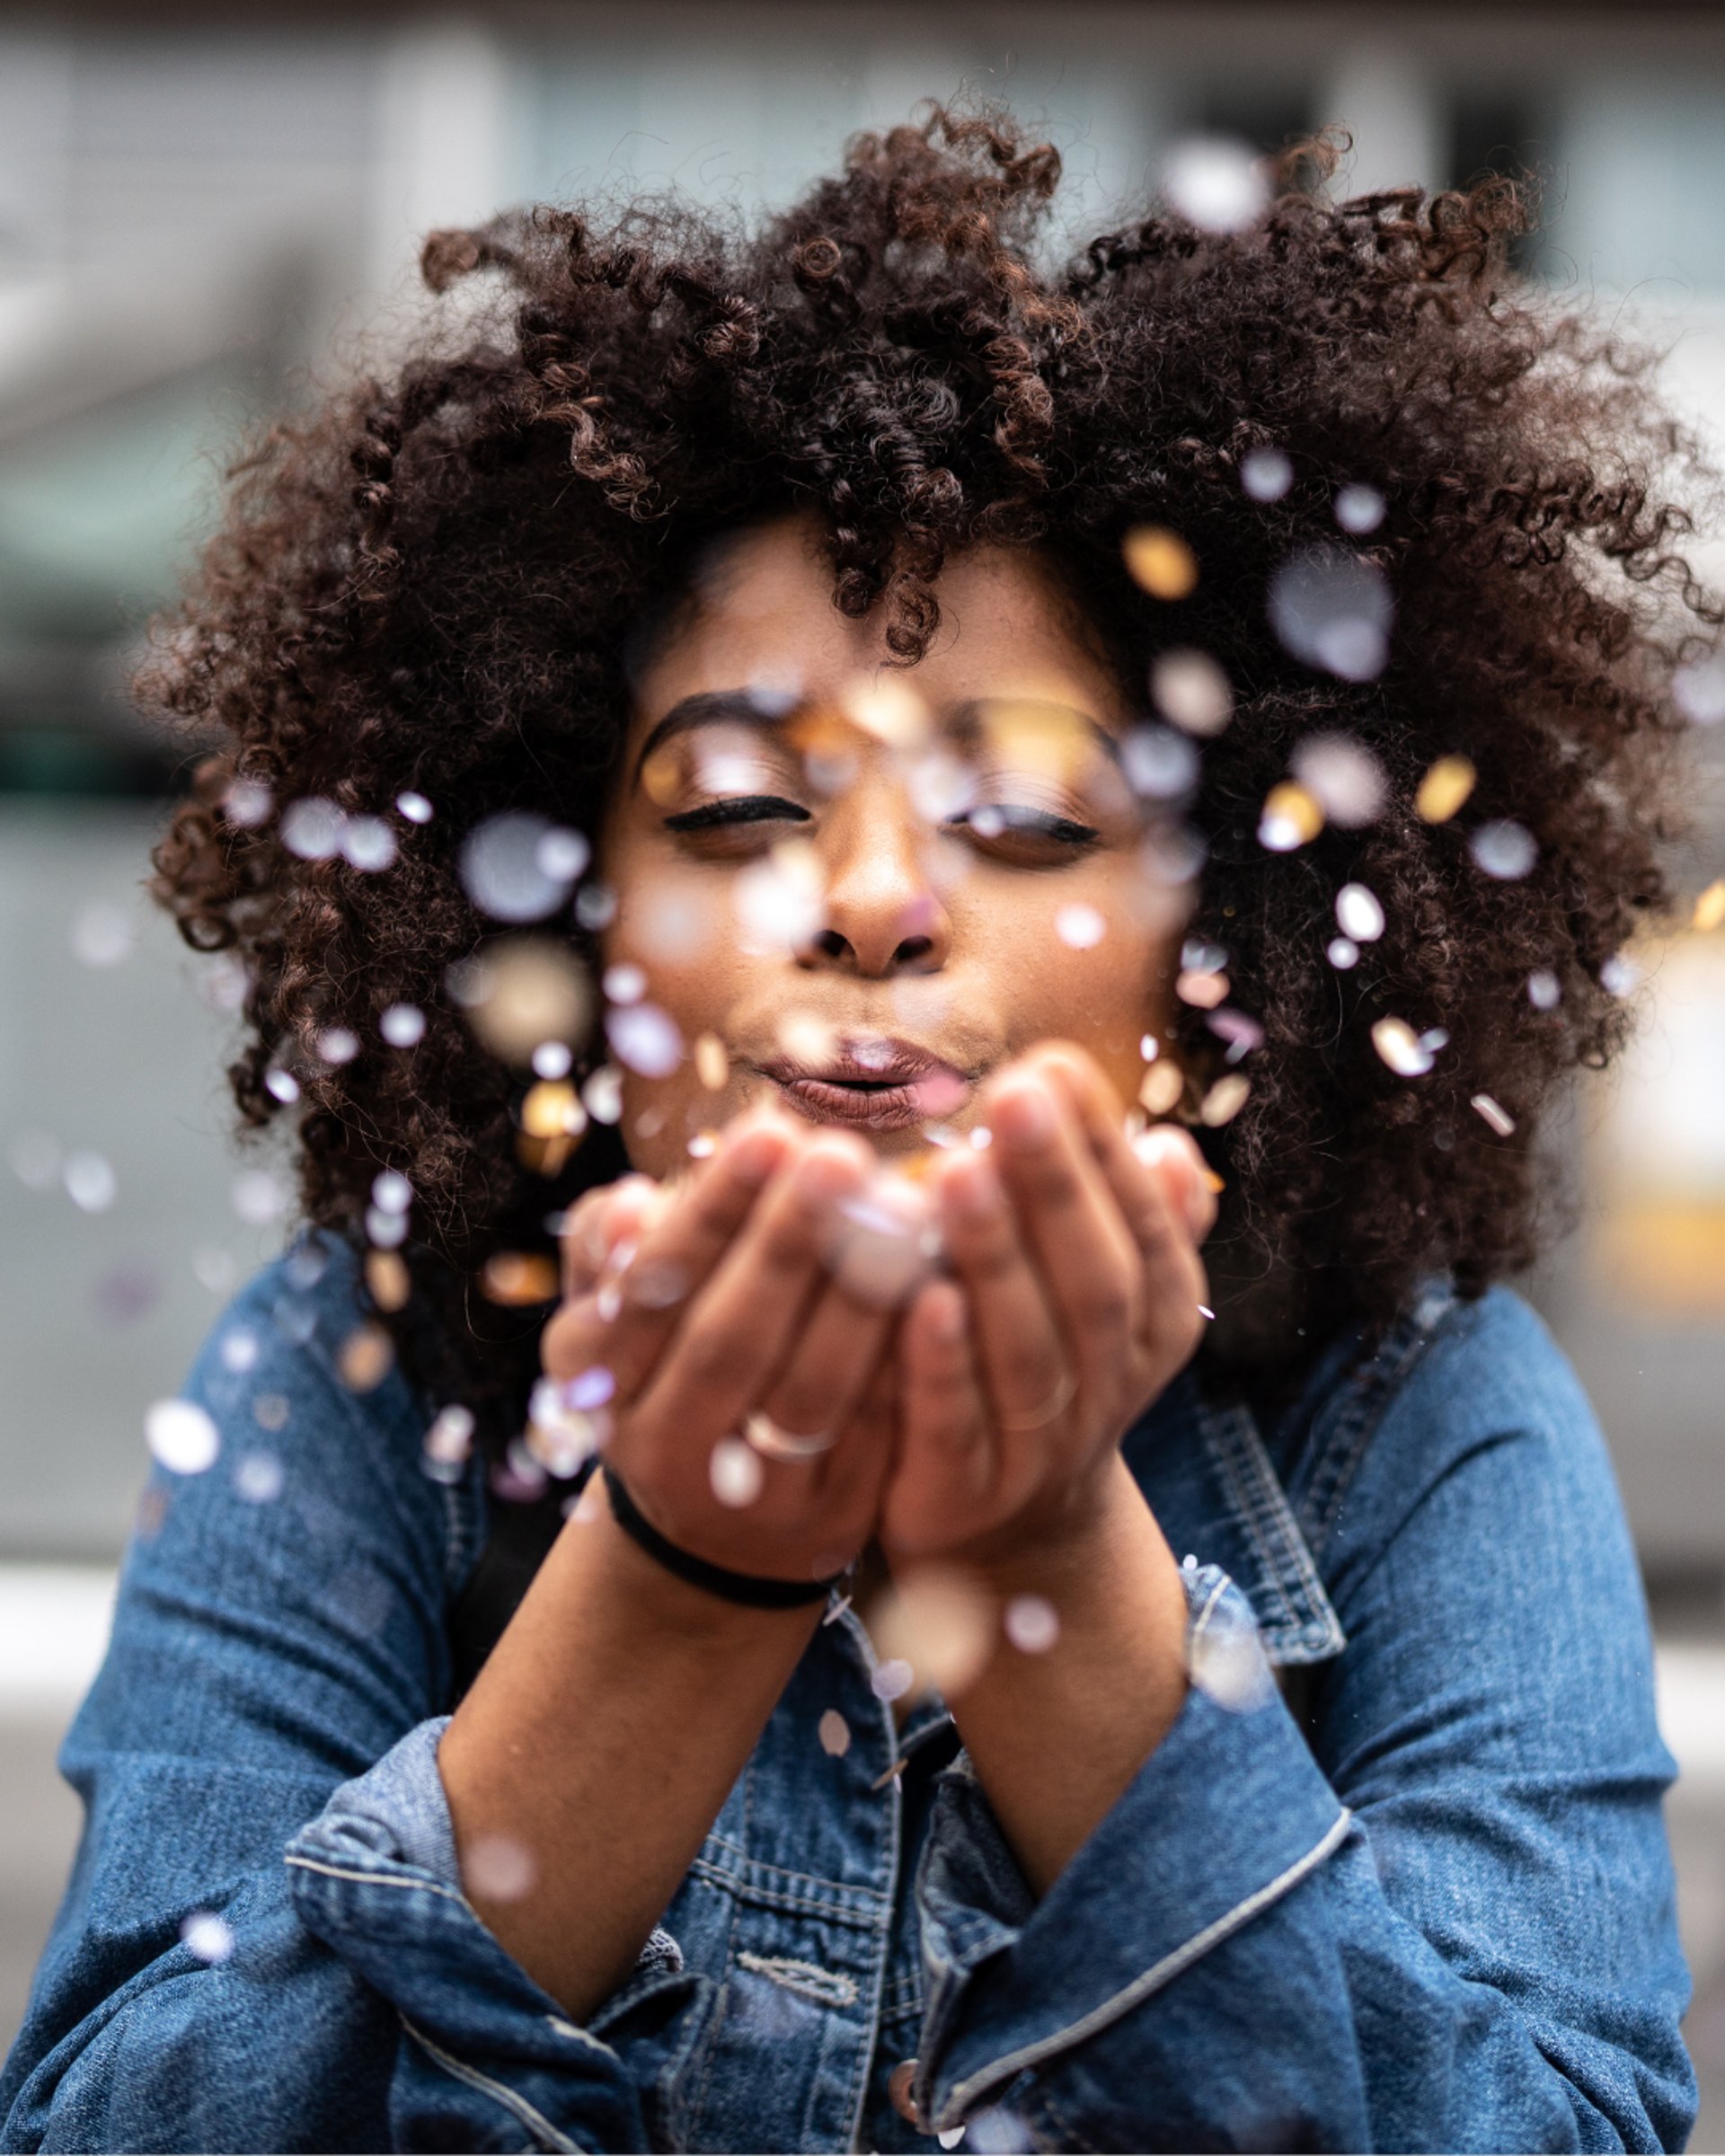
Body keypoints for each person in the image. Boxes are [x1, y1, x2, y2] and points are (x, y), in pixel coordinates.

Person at [0, 107, 1704, 2153]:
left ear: (1219, 945)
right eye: (735, 807)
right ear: (564, 920)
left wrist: (1047, 1566)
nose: (877, 897)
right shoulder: (349, 1379)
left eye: (1029, 819)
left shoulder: (1421, 1410)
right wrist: (677, 1577)